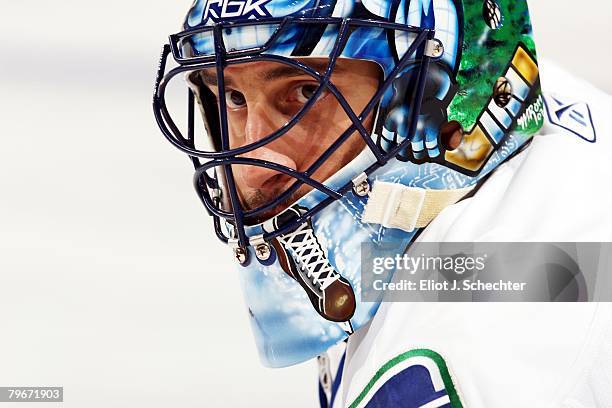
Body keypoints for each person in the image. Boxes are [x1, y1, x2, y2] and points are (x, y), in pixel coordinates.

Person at [153, 0, 612, 406]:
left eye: (305, 92)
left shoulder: (461, 353)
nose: (250, 168)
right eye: (232, 97)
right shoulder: (538, 144)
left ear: (446, 100)